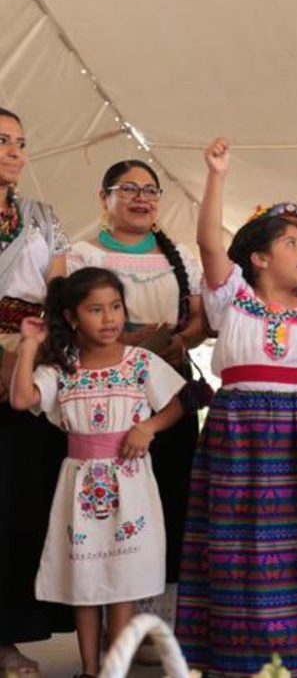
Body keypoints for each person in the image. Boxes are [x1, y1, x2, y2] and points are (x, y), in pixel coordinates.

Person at [175, 137, 297, 677]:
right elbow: (209, 244)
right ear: (259, 258)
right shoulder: (233, 300)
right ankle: (239, 657)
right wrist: (217, 175)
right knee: (238, 545)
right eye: (292, 242)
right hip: (238, 436)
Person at [10, 267, 184, 678]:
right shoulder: (63, 370)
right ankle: (90, 669)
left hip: (131, 484)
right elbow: (21, 399)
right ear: (72, 318)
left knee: (122, 583)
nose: (109, 319)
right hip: (80, 489)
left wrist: (147, 427)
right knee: (85, 582)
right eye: (95, 310)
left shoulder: (140, 362)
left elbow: (177, 404)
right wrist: (30, 345)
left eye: (115, 307)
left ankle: (113, 669)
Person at [67, 159, 207, 632]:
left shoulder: (181, 256)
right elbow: (65, 324)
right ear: (104, 199)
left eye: (150, 190)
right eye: (129, 189)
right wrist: (127, 344)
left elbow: (200, 322)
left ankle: (161, 621)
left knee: (169, 497)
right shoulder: (81, 255)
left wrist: (178, 342)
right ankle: (114, 622)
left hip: (166, 389)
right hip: (108, 397)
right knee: (111, 505)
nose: (142, 198)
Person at [0, 106, 73, 677]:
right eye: (2, 142)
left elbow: (59, 289)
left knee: (18, 504)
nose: (14, 153)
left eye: (20, 143)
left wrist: (29, 351)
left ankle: (6, 638)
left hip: (25, 365)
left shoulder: (43, 215)